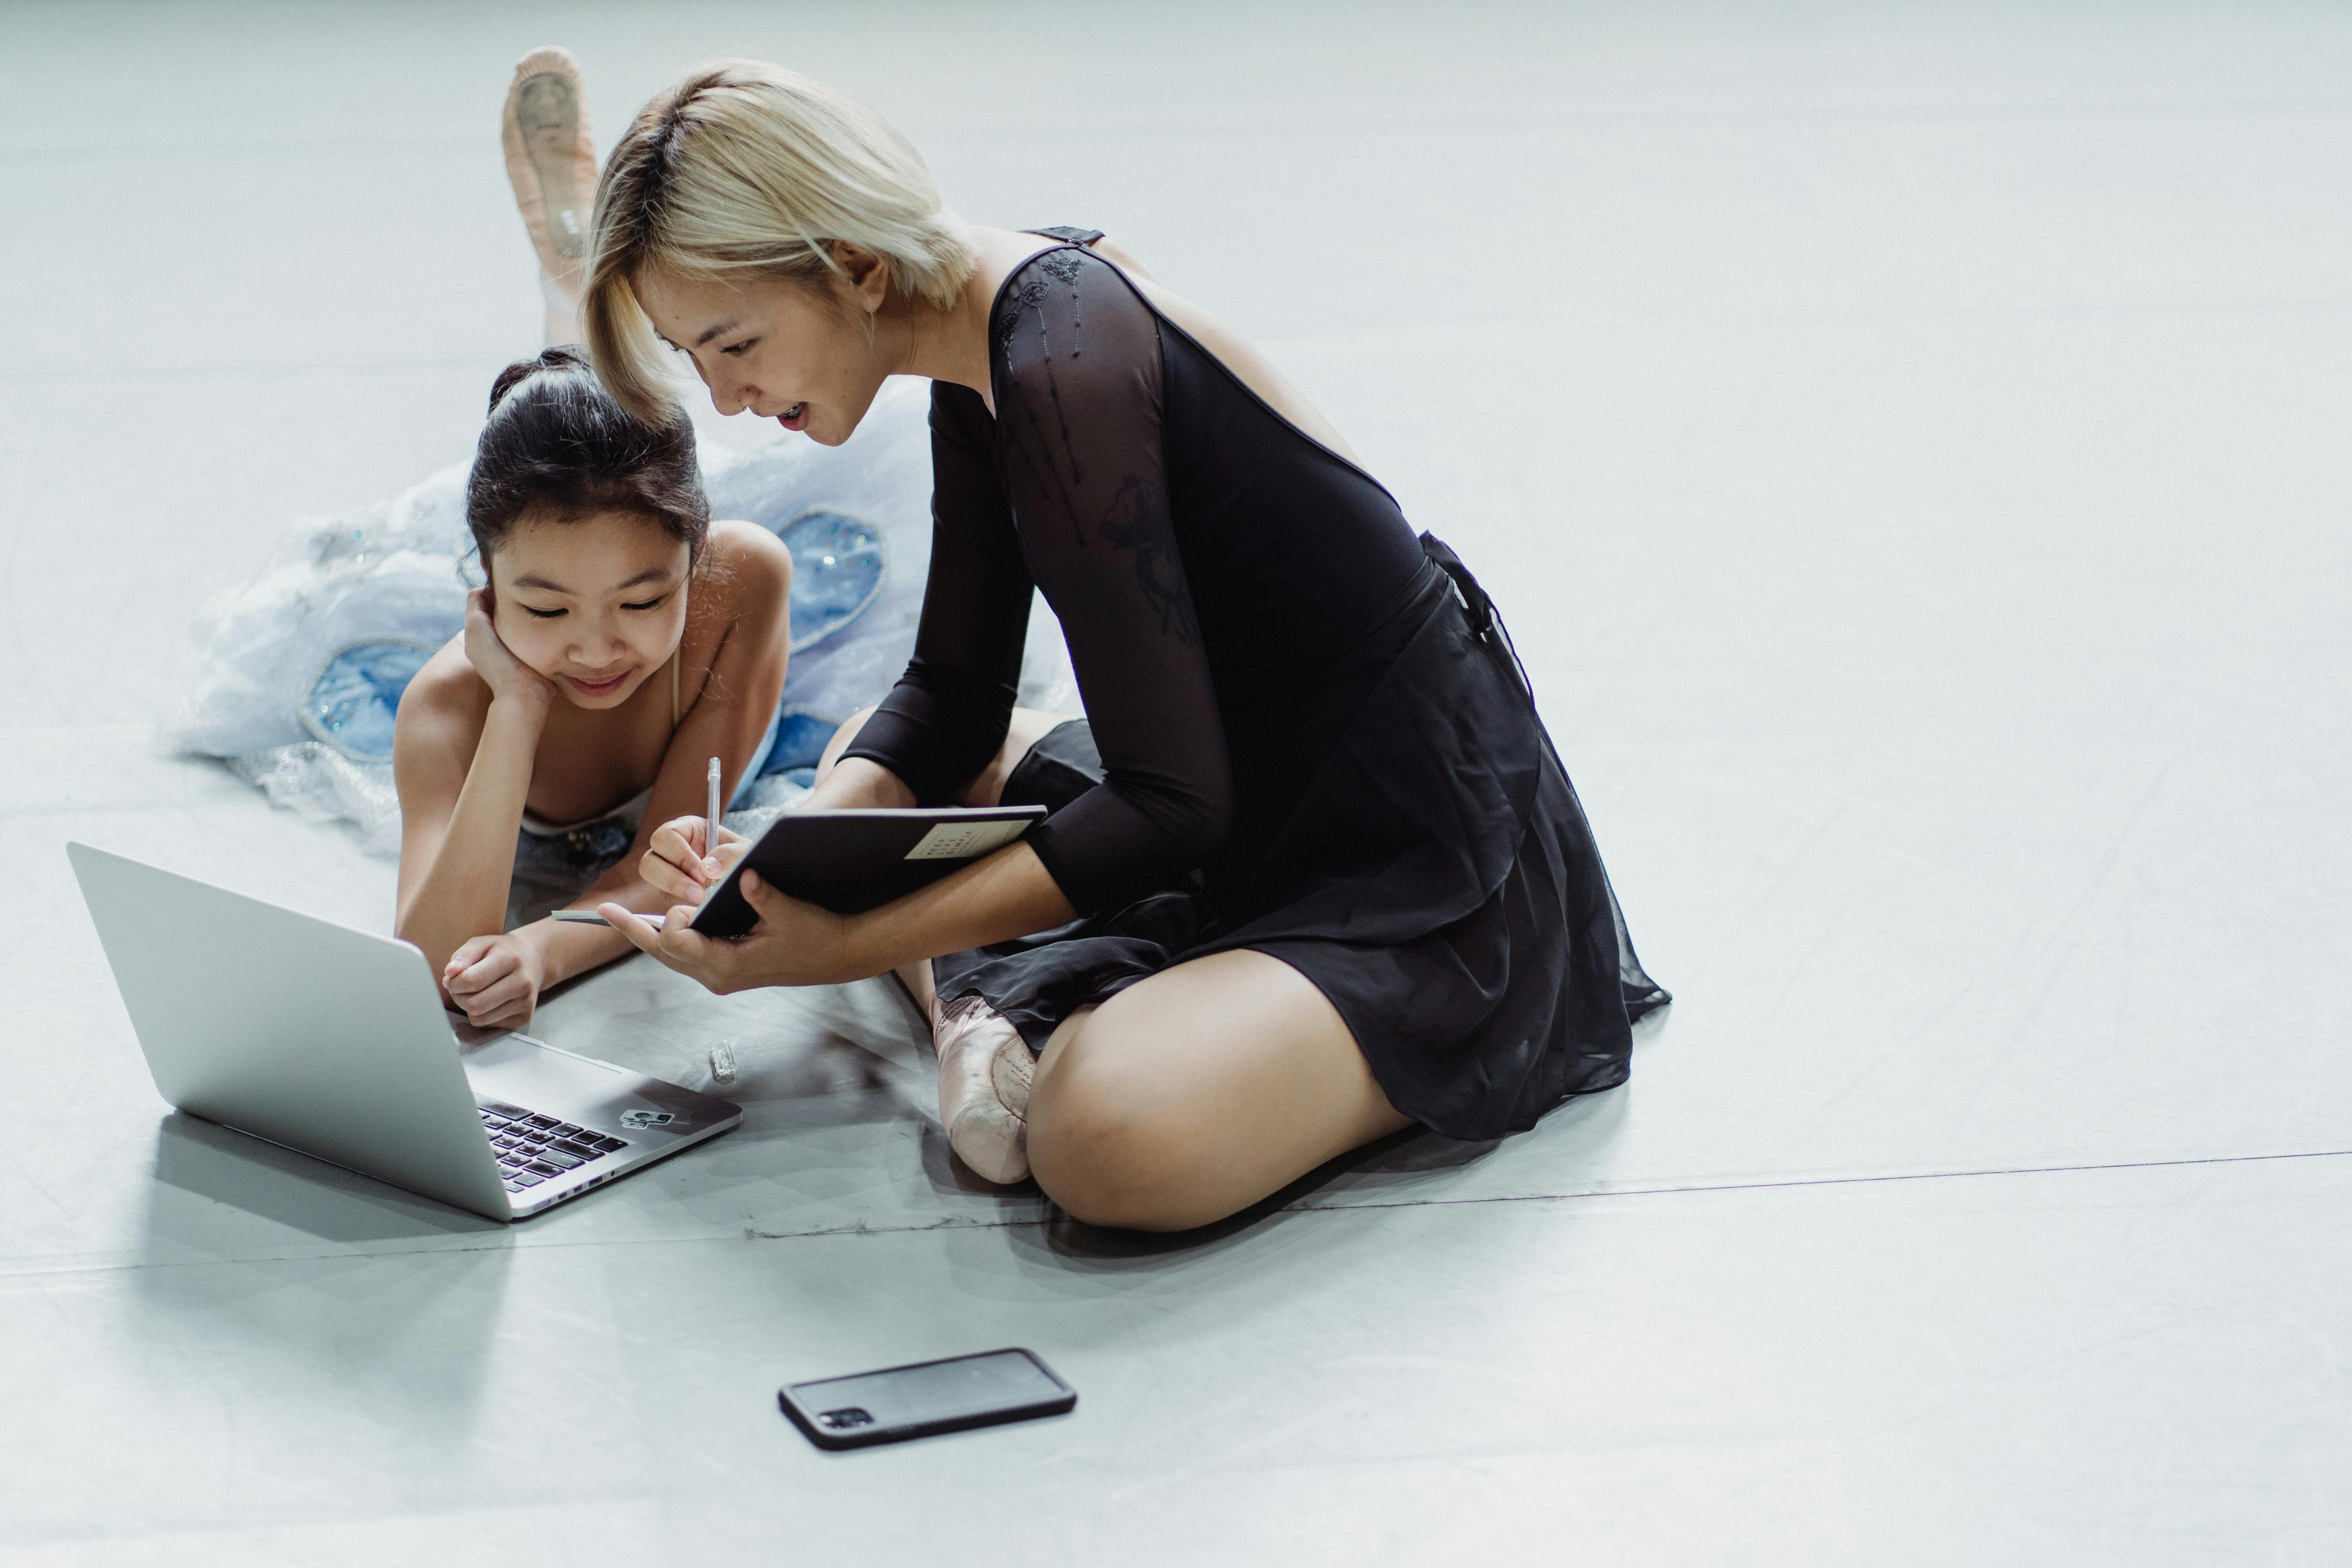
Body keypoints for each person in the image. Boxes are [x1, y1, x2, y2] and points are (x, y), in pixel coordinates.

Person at [583, 60, 1668, 1232]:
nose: (725, 395)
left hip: (1413, 854)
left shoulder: (1063, 366)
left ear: (853, 264)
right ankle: (996, 1016)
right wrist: (777, 864)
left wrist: (839, 944)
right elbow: (952, 691)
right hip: (1247, 780)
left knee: (1104, 1137)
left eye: (731, 341)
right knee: (863, 762)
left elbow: (1167, 806)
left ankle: (1008, 1009)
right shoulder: (977, 331)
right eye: (695, 357)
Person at [391, 346, 793, 1028]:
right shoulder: (447, 707)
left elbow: (671, 869)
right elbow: (433, 964)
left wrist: (541, 950)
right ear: (487, 578)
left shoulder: (745, 581)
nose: (597, 651)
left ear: (694, 559)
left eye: (642, 603)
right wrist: (517, 707)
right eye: (547, 610)